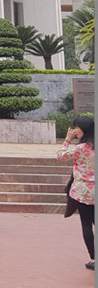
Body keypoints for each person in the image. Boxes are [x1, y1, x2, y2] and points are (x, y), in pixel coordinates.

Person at [57, 115, 95, 271]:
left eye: (77, 127)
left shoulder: (80, 148)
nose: (75, 130)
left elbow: (61, 156)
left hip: (83, 192)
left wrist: (67, 140)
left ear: (84, 129)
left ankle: (94, 258)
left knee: (86, 224)